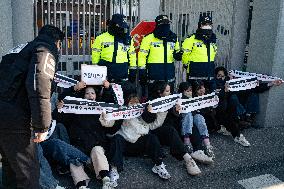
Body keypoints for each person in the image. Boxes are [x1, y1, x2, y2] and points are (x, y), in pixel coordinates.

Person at [0, 25, 64, 189]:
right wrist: (42, 125)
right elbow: (39, 83)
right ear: (57, 42)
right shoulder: (45, 49)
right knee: (28, 175)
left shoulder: (22, 49)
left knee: (11, 171)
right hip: (16, 118)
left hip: (4, 113)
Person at [54, 81, 116, 189]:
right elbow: (59, 113)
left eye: (92, 93)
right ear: (83, 96)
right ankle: (81, 185)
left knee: (97, 150)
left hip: (95, 146)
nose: (90, 95)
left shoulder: (100, 110)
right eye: (87, 93)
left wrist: (108, 88)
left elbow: (111, 102)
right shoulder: (74, 110)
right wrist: (59, 108)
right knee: (73, 159)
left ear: (96, 96)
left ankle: (106, 180)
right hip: (79, 146)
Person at [106, 94, 170, 187]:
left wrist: (161, 112)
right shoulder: (121, 115)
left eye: (136, 102)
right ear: (127, 104)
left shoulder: (143, 116)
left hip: (139, 145)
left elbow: (155, 125)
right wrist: (108, 118)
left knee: (152, 138)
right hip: (125, 146)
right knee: (117, 139)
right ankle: (114, 169)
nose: (134, 104)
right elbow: (110, 128)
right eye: (131, 102)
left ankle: (159, 165)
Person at [149, 81, 201, 176]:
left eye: (170, 91)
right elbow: (152, 124)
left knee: (188, 124)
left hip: (171, 126)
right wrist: (153, 111)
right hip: (158, 130)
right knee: (171, 130)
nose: (170, 93)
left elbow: (174, 116)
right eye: (167, 91)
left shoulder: (172, 99)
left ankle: (198, 150)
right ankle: (187, 158)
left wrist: (176, 110)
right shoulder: (152, 102)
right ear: (160, 93)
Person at [91, 13, 137, 98]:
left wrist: (132, 72)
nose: (122, 29)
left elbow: (132, 55)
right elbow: (95, 57)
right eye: (120, 27)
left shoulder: (127, 39)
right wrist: (96, 73)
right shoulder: (100, 38)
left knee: (123, 102)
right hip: (106, 79)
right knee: (107, 101)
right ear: (113, 25)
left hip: (123, 77)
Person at [138, 15, 183, 95]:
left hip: (169, 76)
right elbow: (142, 56)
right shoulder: (148, 38)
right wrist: (142, 71)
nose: (166, 26)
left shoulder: (173, 37)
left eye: (167, 24)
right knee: (154, 101)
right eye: (163, 24)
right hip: (154, 77)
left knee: (169, 102)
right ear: (158, 25)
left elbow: (177, 51)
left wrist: (178, 55)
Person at [210, 67, 250, 147]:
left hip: (229, 110)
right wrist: (224, 90)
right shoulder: (213, 82)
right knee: (228, 116)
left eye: (223, 76)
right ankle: (238, 135)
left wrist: (268, 84)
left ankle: (237, 133)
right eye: (219, 76)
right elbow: (216, 95)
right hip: (219, 109)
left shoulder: (228, 81)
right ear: (216, 76)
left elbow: (243, 89)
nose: (221, 78)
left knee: (234, 99)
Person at [178, 82, 214, 163]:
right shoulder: (180, 100)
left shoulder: (194, 98)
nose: (189, 93)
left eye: (190, 90)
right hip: (184, 123)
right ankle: (187, 142)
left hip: (194, 119)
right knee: (188, 115)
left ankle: (207, 144)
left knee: (199, 117)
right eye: (187, 91)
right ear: (182, 92)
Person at [182, 14, 217, 85]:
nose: (207, 26)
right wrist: (189, 66)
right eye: (204, 24)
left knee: (209, 95)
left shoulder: (212, 40)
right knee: (195, 95)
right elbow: (184, 55)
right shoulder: (191, 39)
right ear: (200, 25)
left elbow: (213, 55)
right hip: (195, 75)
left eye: (209, 24)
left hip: (209, 75)